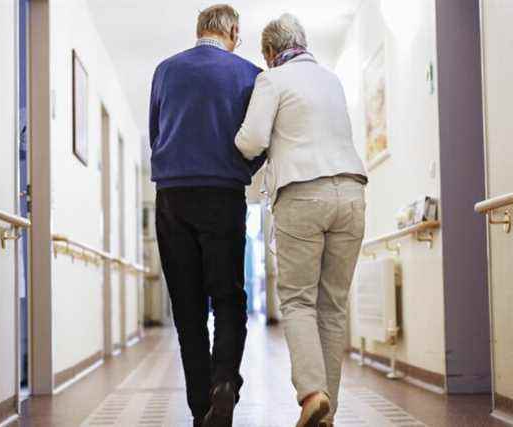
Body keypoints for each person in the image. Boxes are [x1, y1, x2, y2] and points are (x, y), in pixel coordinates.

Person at [235, 14, 368, 427]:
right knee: (333, 307)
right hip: (351, 193)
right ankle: (326, 414)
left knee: (297, 300)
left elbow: (251, 140)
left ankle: (312, 394)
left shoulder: (273, 80)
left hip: (302, 193)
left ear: (271, 53)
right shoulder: (331, 79)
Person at [148, 4, 263, 427]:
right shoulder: (250, 74)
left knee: (188, 306)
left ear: (199, 31)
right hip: (223, 194)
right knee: (229, 297)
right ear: (232, 30)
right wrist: (241, 171)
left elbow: (155, 132)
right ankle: (224, 384)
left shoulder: (164, 70)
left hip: (173, 196)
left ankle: (201, 408)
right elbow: (259, 138)